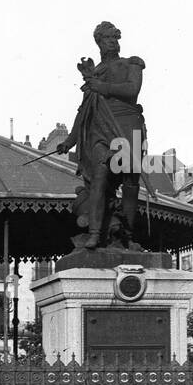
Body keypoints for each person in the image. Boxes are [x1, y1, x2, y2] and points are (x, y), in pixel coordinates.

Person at [56, 21, 149, 250]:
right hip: (100, 130)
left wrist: (101, 87)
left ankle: (126, 234)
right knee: (99, 176)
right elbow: (84, 109)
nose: (112, 43)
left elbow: (132, 90)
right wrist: (70, 140)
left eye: (115, 39)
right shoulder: (95, 73)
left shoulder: (131, 64)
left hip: (128, 126)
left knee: (130, 181)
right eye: (107, 39)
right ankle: (95, 233)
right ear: (99, 42)